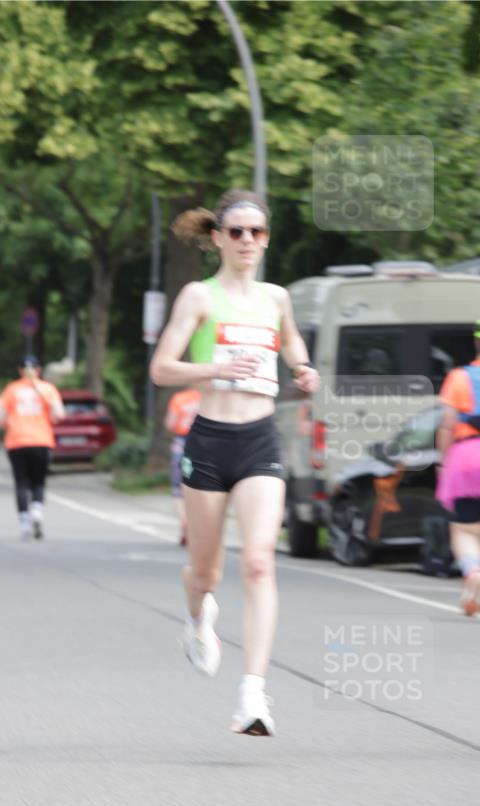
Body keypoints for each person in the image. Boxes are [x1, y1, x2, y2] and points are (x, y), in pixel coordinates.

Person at [150, 189, 320, 736]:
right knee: (206, 572)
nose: (249, 241)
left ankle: (253, 696)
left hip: (260, 441)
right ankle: (199, 618)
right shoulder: (198, 297)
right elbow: (161, 368)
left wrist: (303, 367)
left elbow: (291, 341)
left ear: (267, 239)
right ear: (218, 238)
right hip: (209, 442)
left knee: (259, 562)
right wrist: (214, 372)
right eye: (238, 232)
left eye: (259, 232)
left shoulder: (276, 299)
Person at [436, 318, 480, 623]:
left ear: (478, 343)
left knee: (464, 528)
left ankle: (473, 570)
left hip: (467, 456)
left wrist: (443, 460)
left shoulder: (459, 377)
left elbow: (447, 424)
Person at [0, 356, 64, 540]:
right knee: (38, 481)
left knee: (21, 482)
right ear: (38, 370)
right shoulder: (48, 389)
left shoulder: (12, 389)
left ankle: (24, 522)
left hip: (16, 440)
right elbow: (59, 415)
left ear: (20, 370)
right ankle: (37, 510)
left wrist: (9, 423)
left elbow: (1, 417)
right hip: (41, 440)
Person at [165, 387, 201, 545]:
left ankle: (184, 519)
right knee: (197, 487)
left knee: (178, 488)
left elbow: (170, 424)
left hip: (182, 446)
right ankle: (195, 524)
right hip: (202, 448)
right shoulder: (208, 398)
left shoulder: (179, 398)